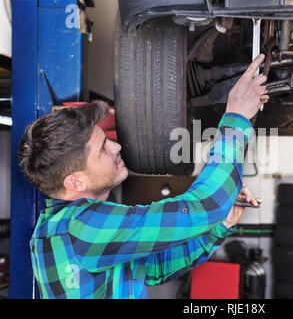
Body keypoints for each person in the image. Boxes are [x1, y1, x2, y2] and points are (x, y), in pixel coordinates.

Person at [17, 54, 268, 299]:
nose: (116, 147)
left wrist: (219, 225)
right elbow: (205, 206)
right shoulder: (82, 228)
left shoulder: (53, 230)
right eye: (103, 148)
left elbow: (155, 267)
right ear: (75, 181)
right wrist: (236, 119)